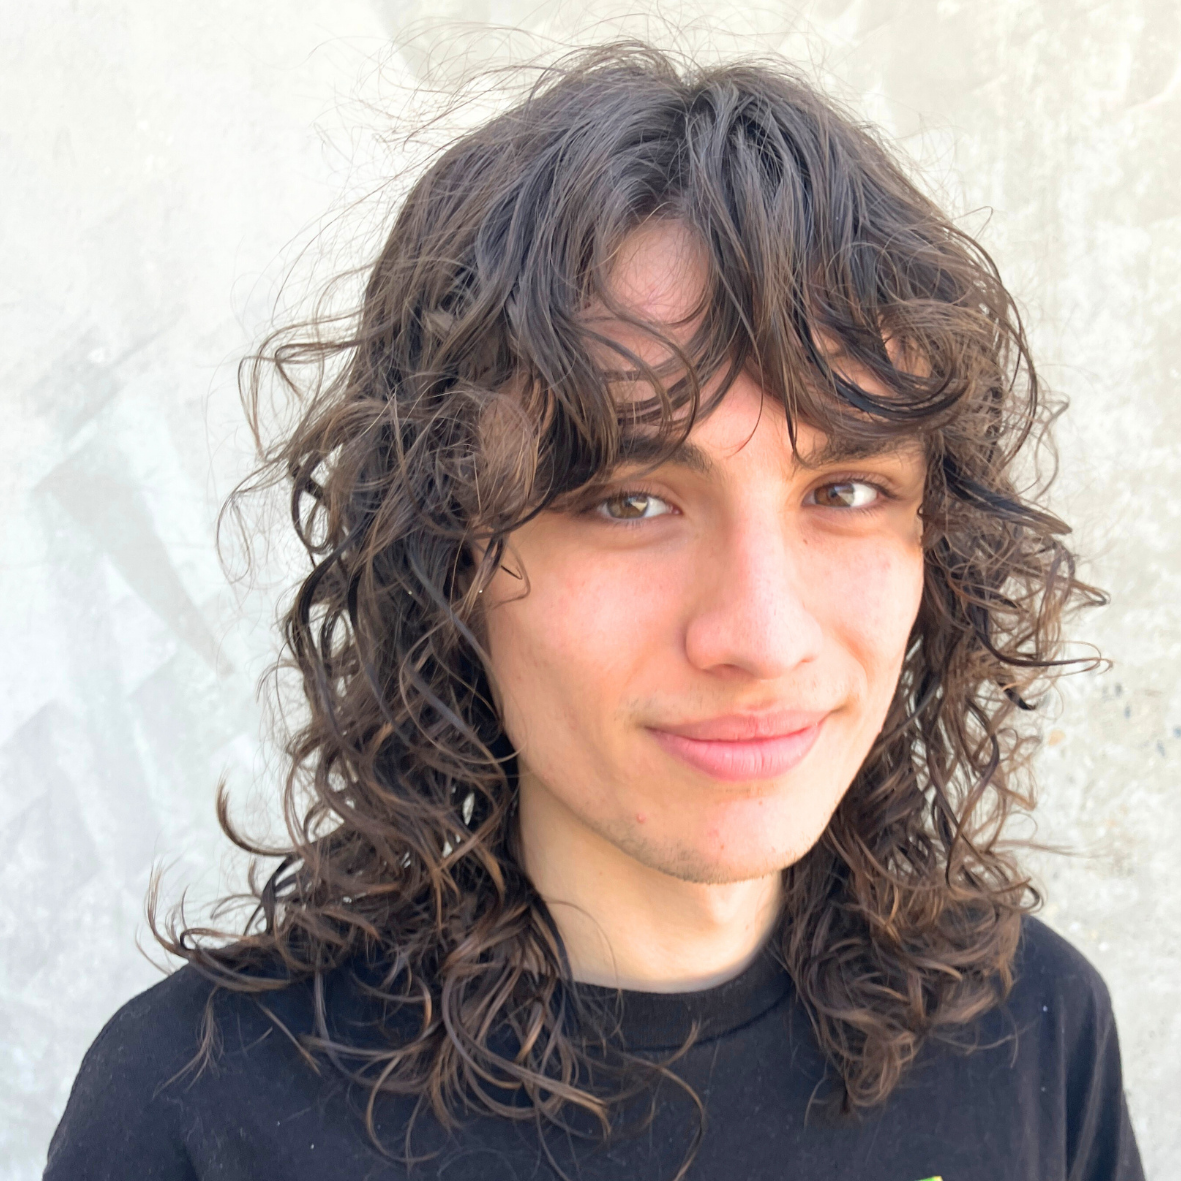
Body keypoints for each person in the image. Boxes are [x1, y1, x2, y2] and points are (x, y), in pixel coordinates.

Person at [44, 43, 1144, 1181]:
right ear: (448, 550)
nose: (762, 636)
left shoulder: (1031, 1033)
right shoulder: (200, 1114)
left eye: (845, 490)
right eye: (628, 499)